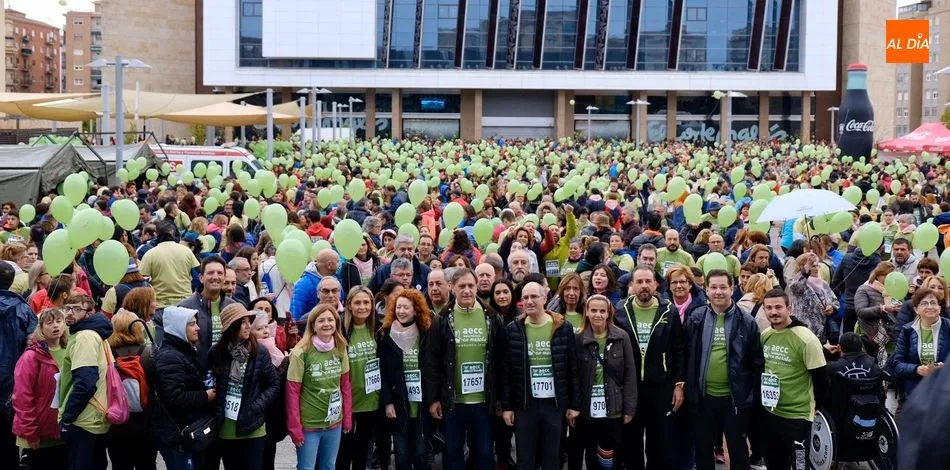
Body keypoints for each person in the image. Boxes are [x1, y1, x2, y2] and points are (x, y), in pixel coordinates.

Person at [425, 268, 505, 470]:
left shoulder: (492, 318)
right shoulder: (442, 320)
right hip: (453, 402)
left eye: (471, 285)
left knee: (485, 453)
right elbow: (432, 361)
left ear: (477, 286)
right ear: (452, 288)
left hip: (483, 401)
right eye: (462, 286)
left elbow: (501, 361)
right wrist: (434, 399)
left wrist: (502, 399)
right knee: (452, 453)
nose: (467, 291)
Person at [684, 269, 764, 470]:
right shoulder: (696, 317)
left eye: (723, 287)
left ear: (732, 289)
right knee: (703, 451)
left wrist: (751, 398)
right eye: (713, 287)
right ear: (706, 290)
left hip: (734, 400)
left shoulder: (746, 322)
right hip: (703, 399)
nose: (718, 292)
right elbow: (687, 356)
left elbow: (757, 363)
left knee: (738, 452)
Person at [613, 266, 686, 470]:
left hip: (660, 385)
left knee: (659, 441)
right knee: (632, 440)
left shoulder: (668, 310)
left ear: (656, 285)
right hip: (631, 386)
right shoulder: (620, 310)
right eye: (639, 282)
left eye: (648, 281)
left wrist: (679, 385)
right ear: (632, 285)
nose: (644, 286)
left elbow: (678, 349)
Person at [501, 281, 578, 470]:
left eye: (534, 296)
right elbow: (507, 372)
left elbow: (572, 369)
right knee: (525, 459)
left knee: (552, 458)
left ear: (545, 298)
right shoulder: (513, 329)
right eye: (525, 297)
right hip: (526, 404)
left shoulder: (562, 328)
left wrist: (574, 405)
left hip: (554, 405)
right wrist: (507, 407)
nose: (529, 301)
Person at [758, 289, 828, 470]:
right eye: (769, 308)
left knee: (799, 464)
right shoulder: (765, 335)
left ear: (790, 308)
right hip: (771, 412)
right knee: (774, 462)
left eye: (779, 307)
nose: (773, 312)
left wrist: (813, 407)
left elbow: (821, 379)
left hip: (797, 415)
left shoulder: (806, 339)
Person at [569, 294, 636, 470]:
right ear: (587, 313)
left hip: (613, 408)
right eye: (593, 310)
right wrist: (572, 406)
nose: (597, 315)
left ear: (608, 313)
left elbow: (630, 374)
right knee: (591, 452)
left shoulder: (622, 337)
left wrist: (629, 408)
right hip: (587, 409)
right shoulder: (578, 339)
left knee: (610, 455)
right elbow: (573, 376)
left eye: (602, 311)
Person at [209, 303, 280, 470]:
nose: (248, 326)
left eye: (249, 321)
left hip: (253, 426)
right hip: (226, 426)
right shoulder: (216, 352)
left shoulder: (259, 351)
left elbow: (273, 384)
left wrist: (256, 406)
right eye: (243, 322)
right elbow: (211, 383)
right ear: (231, 327)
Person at [286, 305, 353, 470]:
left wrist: (347, 419)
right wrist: (295, 428)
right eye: (321, 320)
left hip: (334, 423)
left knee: (329, 466)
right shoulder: (301, 352)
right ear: (313, 325)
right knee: (307, 467)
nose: (326, 324)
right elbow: (292, 393)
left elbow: (345, 386)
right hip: (309, 425)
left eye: (330, 319)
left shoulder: (341, 348)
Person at [150, 306, 217, 470]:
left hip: (186, 433)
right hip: (179, 437)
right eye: (192, 324)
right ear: (179, 328)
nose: (198, 328)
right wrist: (205, 396)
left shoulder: (182, 351)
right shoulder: (170, 356)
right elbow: (175, 396)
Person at [58, 293, 114, 470]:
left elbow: (86, 383)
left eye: (77, 309)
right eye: (67, 308)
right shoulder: (97, 333)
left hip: (84, 419)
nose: (69, 313)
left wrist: (67, 418)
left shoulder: (85, 337)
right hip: (96, 416)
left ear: (89, 313)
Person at [379, 289, 433, 470]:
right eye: (398, 307)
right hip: (398, 402)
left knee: (420, 453)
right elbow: (383, 372)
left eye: (406, 308)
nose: (401, 311)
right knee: (401, 455)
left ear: (416, 310)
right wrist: (387, 402)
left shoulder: (426, 332)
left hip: (421, 404)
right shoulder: (386, 335)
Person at [12, 308, 68, 470]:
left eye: (59, 321)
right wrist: (30, 431)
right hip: (40, 434)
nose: (55, 326)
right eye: (49, 323)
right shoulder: (31, 357)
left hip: (62, 430)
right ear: (41, 328)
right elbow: (22, 397)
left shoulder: (69, 350)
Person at [162, 256, 237, 370]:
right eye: (210, 273)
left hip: (226, 372)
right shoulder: (184, 308)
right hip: (195, 373)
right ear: (201, 277)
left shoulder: (233, 307)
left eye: (220, 273)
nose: (215, 277)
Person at [104, 310, 157, 470]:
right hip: (145, 421)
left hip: (118, 423)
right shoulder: (148, 353)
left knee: (120, 464)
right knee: (147, 463)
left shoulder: (108, 355)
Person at [337, 287, 381, 470]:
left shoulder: (378, 329)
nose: (362, 307)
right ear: (348, 305)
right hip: (345, 400)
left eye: (366, 302)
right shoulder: (340, 329)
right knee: (343, 450)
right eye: (357, 302)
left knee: (363, 450)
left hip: (370, 399)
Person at [0, 260, 37, 467]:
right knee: (10, 439)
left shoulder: (22, 308)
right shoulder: (23, 309)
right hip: (14, 381)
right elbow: (34, 345)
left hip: (12, 378)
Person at [890, 287, 950, 398]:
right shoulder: (907, 330)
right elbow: (897, 363)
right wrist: (917, 369)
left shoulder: (948, 327)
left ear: (939, 308)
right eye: (924, 303)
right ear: (916, 309)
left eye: (933, 303)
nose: (930, 307)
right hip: (916, 389)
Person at [141, 221, 201, 310]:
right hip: (185, 303)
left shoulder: (150, 254)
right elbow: (198, 273)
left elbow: (142, 278)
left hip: (161, 305)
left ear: (156, 234)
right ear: (172, 233)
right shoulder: (186, 251)